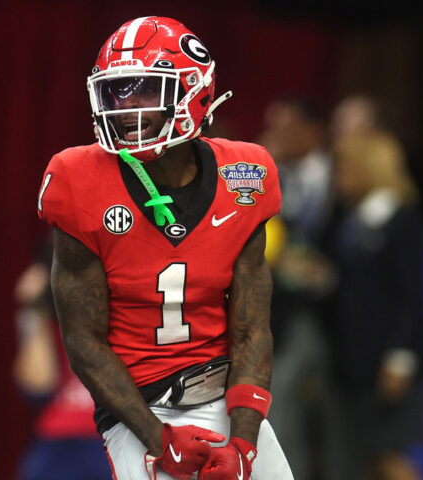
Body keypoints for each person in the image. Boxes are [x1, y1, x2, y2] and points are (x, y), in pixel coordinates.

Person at [38, 17, 292, 480]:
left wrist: (243, 447)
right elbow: (83, 341)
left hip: (224, 392)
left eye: (144, 90)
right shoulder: (77, 180)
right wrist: (160, 440)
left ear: (192, 92)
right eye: (117, 92)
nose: (126, 107)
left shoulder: (245, 177)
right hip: (139, 406)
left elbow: (252, 331)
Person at [326, 132, 423, 480]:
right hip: (358, 361)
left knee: (389, 456)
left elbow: (411, 294)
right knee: (369, 459)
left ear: (367, 169)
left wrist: (400, 358)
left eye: (344, 168)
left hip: (389, 363)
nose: (337, 178)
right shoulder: (350, 222)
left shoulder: (401, 220)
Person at [258, 97, 336, 480]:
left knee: (338, 433)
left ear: (313, 131)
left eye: (287, 128)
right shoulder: (265, 178)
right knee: (283, 419)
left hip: (341, 324)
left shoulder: (344, 174)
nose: (277, 137)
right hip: (284, 323)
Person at [12, 244, 112, 480]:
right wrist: (34, 310)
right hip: (58, 442)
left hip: (113, 435)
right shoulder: (50, 323)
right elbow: (35, 388)